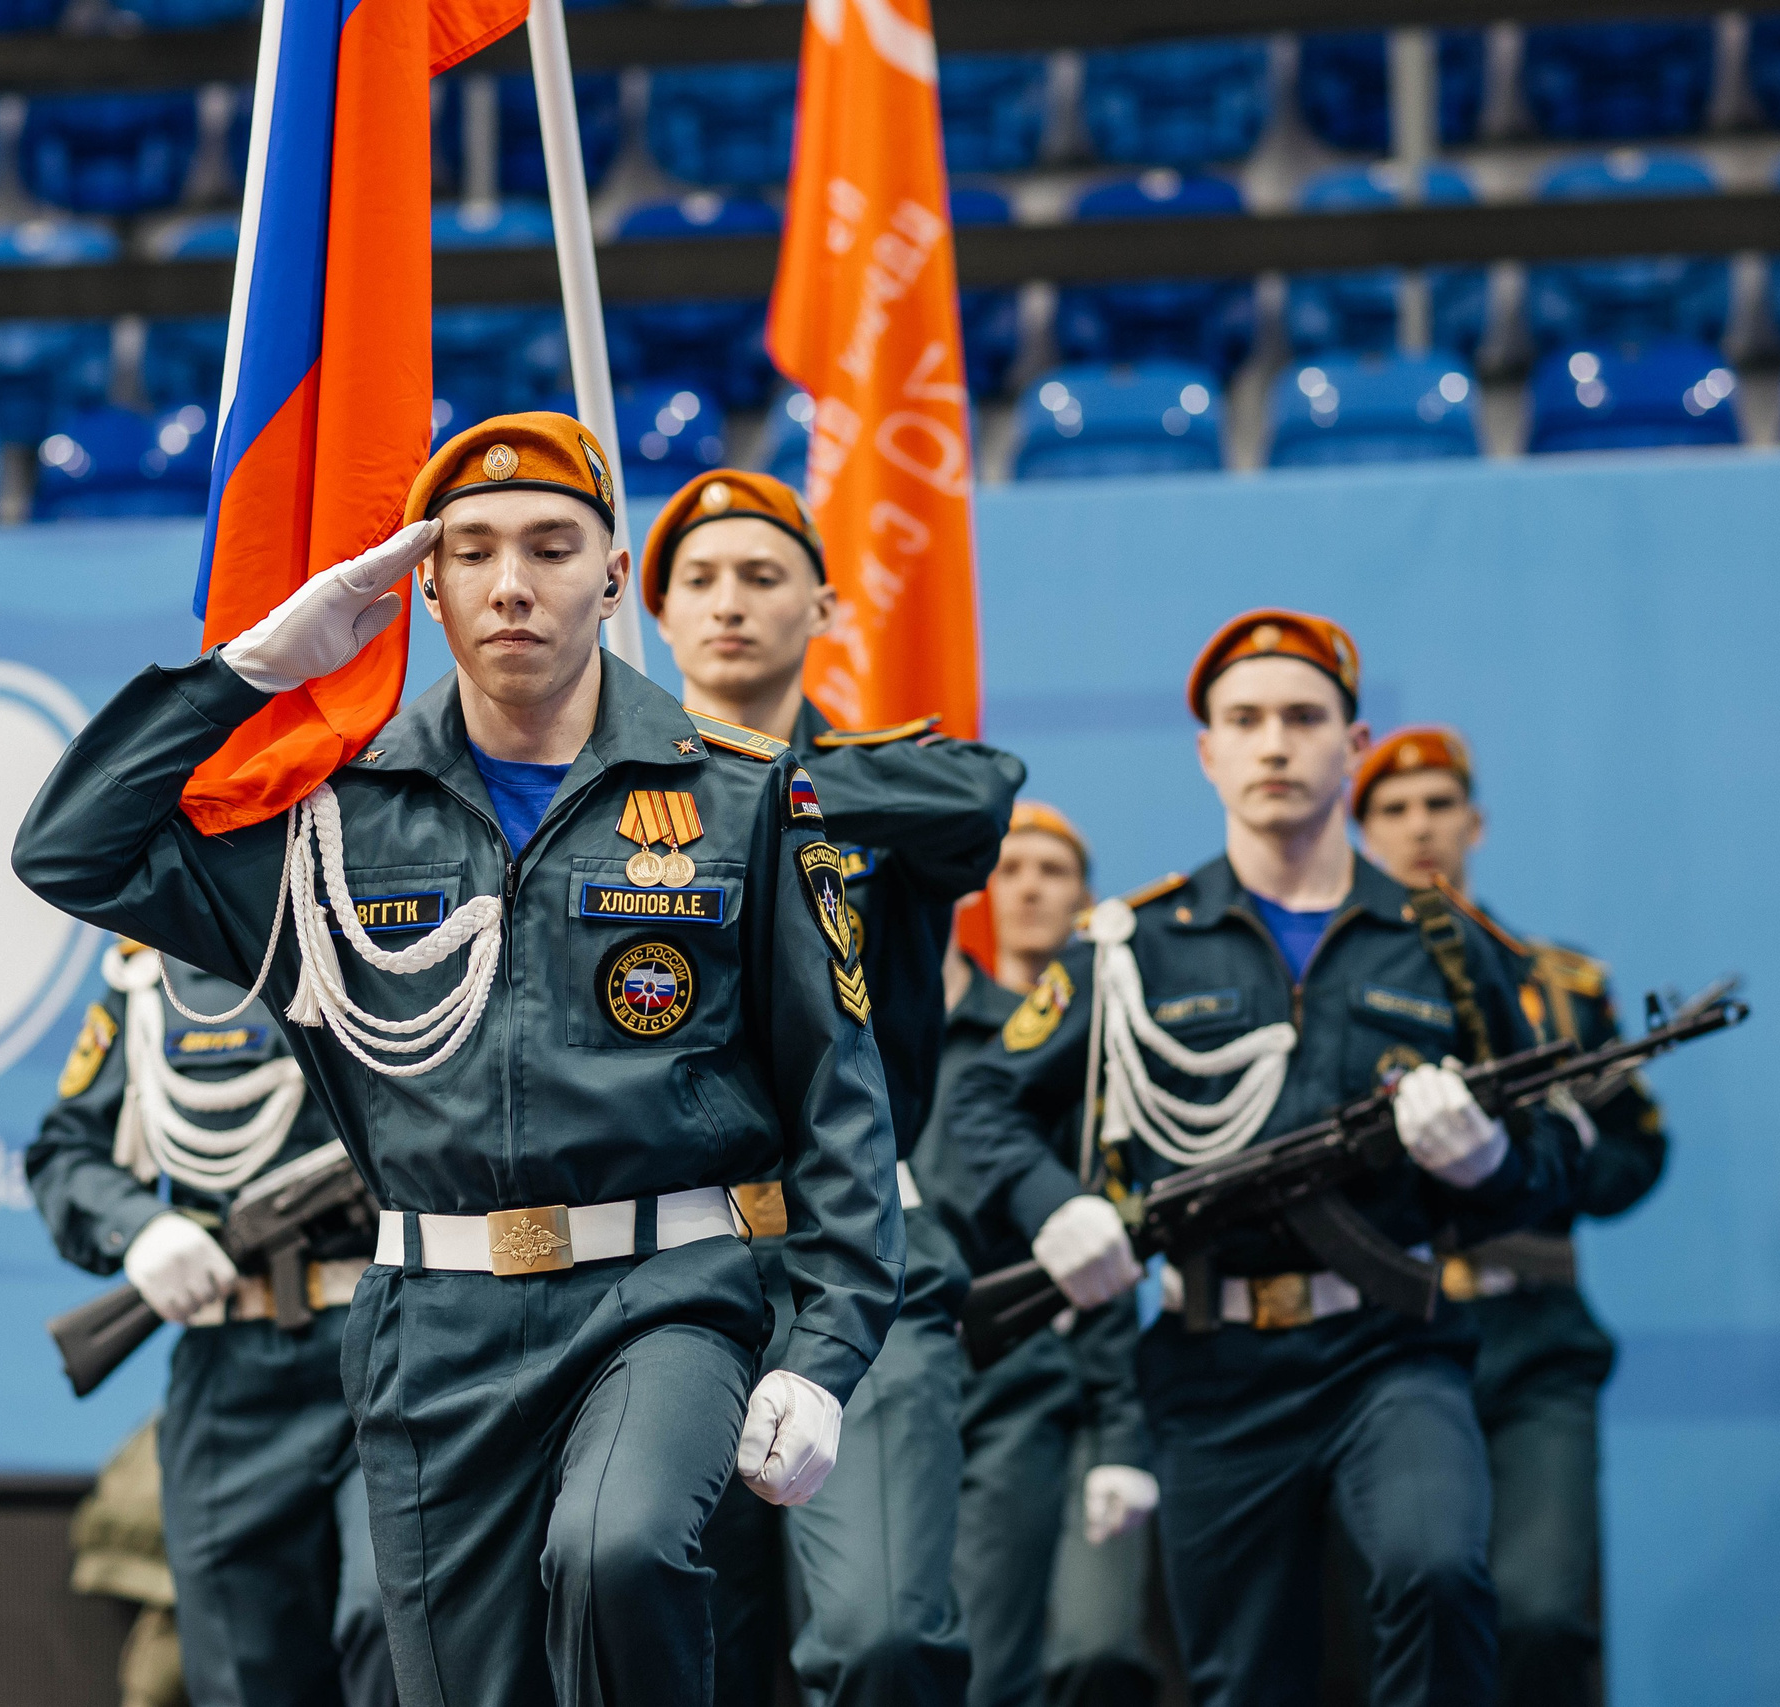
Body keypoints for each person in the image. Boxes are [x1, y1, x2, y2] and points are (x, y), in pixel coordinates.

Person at [11, 412, 904, 1707]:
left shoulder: (740, 792)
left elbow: (839, 1096)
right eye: (472, 549)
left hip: (665, 1293)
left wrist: (822, 1352)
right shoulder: (332, 817)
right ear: (421, 586)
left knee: (622, 1549)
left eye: (552, 545)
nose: (510, 581)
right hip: (433, 1322)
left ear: (612, 572)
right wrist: (251, 670)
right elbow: (69, 852)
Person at [948, 610, 1582, 1707]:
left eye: (1303, 717)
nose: (1274, 744)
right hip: (1211, 1361)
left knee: (1436, 1574)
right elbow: (980, 1101)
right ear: (1207, 753)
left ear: (1353, 741)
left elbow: (1550, 1164)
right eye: (1243, 721)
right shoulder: (1134, 944)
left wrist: (1484, 1163)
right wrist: (1058, 1209)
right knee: (1245, 1677)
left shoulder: (1441, 943)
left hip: (1392, 1348)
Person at [643, 468, 1024, 1707]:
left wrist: (752, 785)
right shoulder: (605, 798)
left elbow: (981, 794)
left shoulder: (890, 778)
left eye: (761, 577)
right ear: (654, 613)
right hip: (664, 1271)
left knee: (883, 1638)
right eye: (698, 580)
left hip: (856, 1257)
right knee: (692, 1654)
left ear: (824, 603)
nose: (729, 604)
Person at [1353, 726, 1669, 1707]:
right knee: (1395, 1616)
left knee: (1540, 1612)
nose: (1420, 829)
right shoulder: (1343, 993)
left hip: (1534, 1338)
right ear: (1358, 832)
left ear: (1476, 823)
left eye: (1439, 806)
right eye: (1394, 811)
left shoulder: (1561, 992)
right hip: (1381, 1339)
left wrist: (1543, 1156)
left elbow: (1634, 1154)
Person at [30, 942, 395, 1707]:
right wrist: (139, 1229)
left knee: (392, 1626)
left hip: (394, 1355)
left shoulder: (397, 927)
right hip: (234, 1380)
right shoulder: (155, 967)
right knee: (240, 1666)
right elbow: (68, 1152)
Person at [913, 804, 1162, 1707]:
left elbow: (1111, 1243)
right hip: (933, 1373)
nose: (1026, 886)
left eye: (1052, 870)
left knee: (1077, 1653)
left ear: (1087, 901)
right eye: (1010, 866)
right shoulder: (928, 1033)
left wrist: (1119, 1427)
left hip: (1061, 1373)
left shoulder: (1099, 1052)